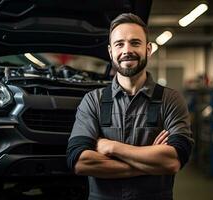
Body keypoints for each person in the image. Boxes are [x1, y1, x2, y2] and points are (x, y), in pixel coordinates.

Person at [66, 13, 194, 200]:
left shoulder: (170, 99)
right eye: (120, 44)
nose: (127, 50)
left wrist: (111, 147)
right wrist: (152, 163)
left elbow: (173, 160)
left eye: (135, 43)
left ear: (148, 49)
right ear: (110, 52)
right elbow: (79, 162)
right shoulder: (93, 101)